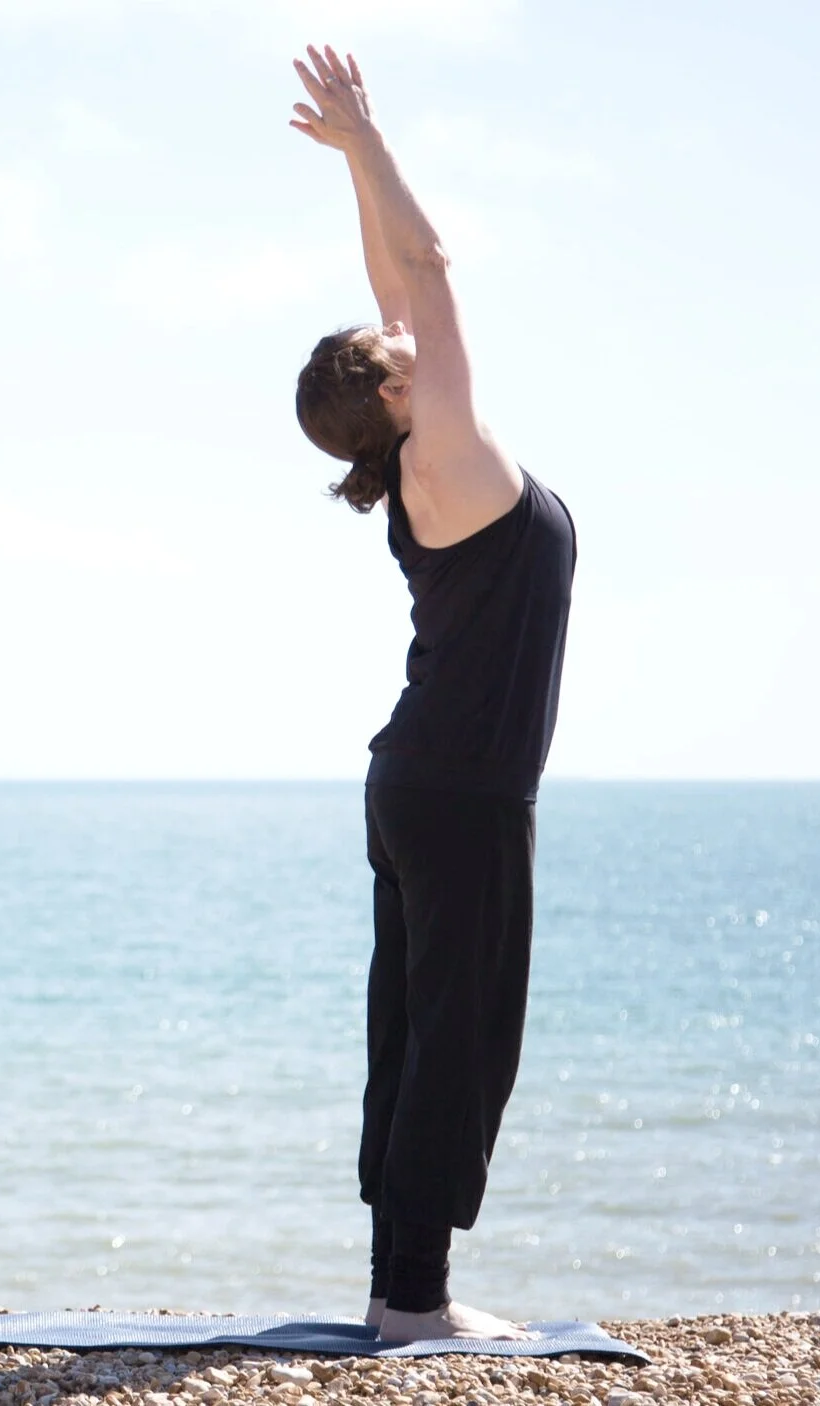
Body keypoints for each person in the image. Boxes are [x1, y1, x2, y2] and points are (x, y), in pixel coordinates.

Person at [286, 46, 577, 1344]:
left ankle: (398, 1288)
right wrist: (370, 138)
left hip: (422, 785)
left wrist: (355, 161)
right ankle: (414, 1302)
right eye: (385, 346)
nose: (395, 323)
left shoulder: (424, 453)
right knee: (454, 1046)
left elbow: (396, 280)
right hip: (458, 795)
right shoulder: (445, 446)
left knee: (416, 1034)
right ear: (392, 390)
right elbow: (432, 271)